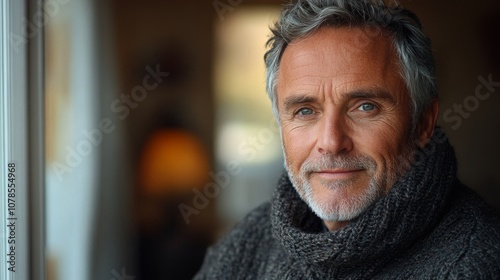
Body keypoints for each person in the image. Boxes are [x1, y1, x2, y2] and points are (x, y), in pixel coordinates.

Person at [194, 0, 500, 278]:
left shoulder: (475, 264)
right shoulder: (247, 244)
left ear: (423, 123)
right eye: (304, 111)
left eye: (365, 107)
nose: (331, 141)